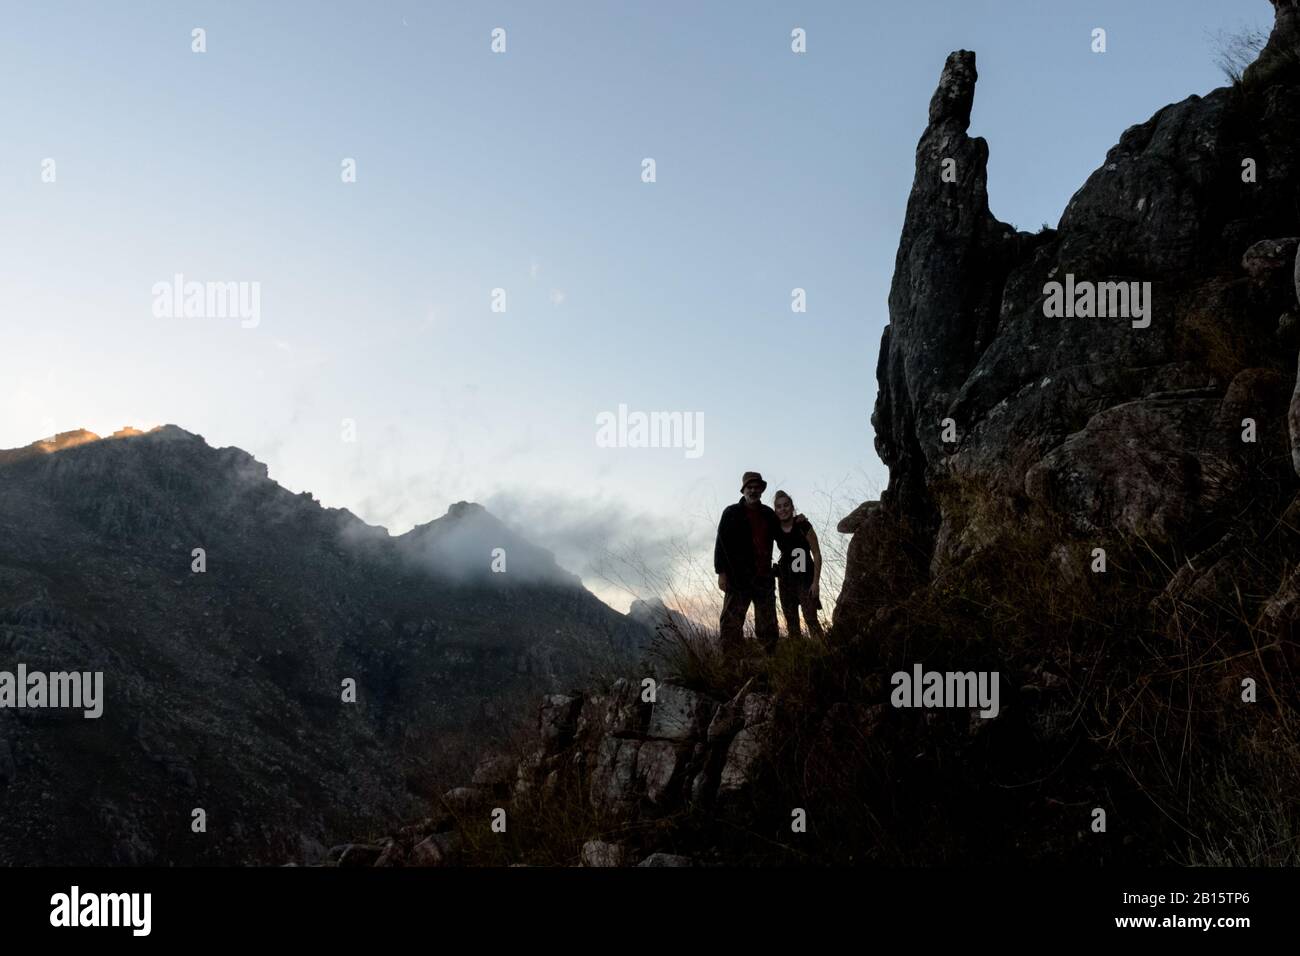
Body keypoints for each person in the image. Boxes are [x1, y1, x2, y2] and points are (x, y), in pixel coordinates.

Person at [714, 472, 779, 653]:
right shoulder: (731, 513)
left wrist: (798, 522)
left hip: (764, 578)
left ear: (761, 490)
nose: (753, 490)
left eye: (756, 487)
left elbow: (783, 536)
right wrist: (721, 573)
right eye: (749, 487)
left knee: (768, 626)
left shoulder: (768, 514)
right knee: (731, 625)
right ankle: (730, 664)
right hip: (738, 579)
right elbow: (721, 544)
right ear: (743, 490)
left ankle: (770, 662)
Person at [772, 490, 826, 642]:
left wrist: (816, 583)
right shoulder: (775, 528)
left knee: (811, 620)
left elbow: (816, 553)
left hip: (805, 579)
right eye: (779, 507)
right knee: (792, 624)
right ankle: (799, 659)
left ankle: (825, 655)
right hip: (785, 581)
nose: (783, 509)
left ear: (792, 506)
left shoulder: (803, 525)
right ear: (775, 510)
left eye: (786, 505)